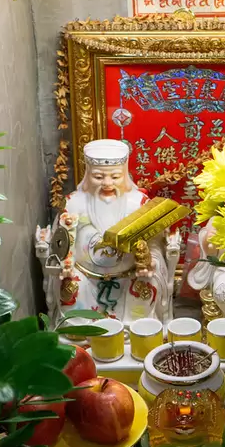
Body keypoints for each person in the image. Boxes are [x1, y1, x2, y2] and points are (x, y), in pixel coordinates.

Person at [42, 139, 171, 327]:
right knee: (71, 289)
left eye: (115, 177)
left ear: (124, 174)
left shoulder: (139, 203)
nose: (107, 183)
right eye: (99, 177)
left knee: (144, 292)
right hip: (86, 277)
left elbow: (154, 245)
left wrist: (149, 262)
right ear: (88, 174)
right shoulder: (73, 203)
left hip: (129, 277)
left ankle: (132, 331)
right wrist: (64, 264)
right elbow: (60, 243)